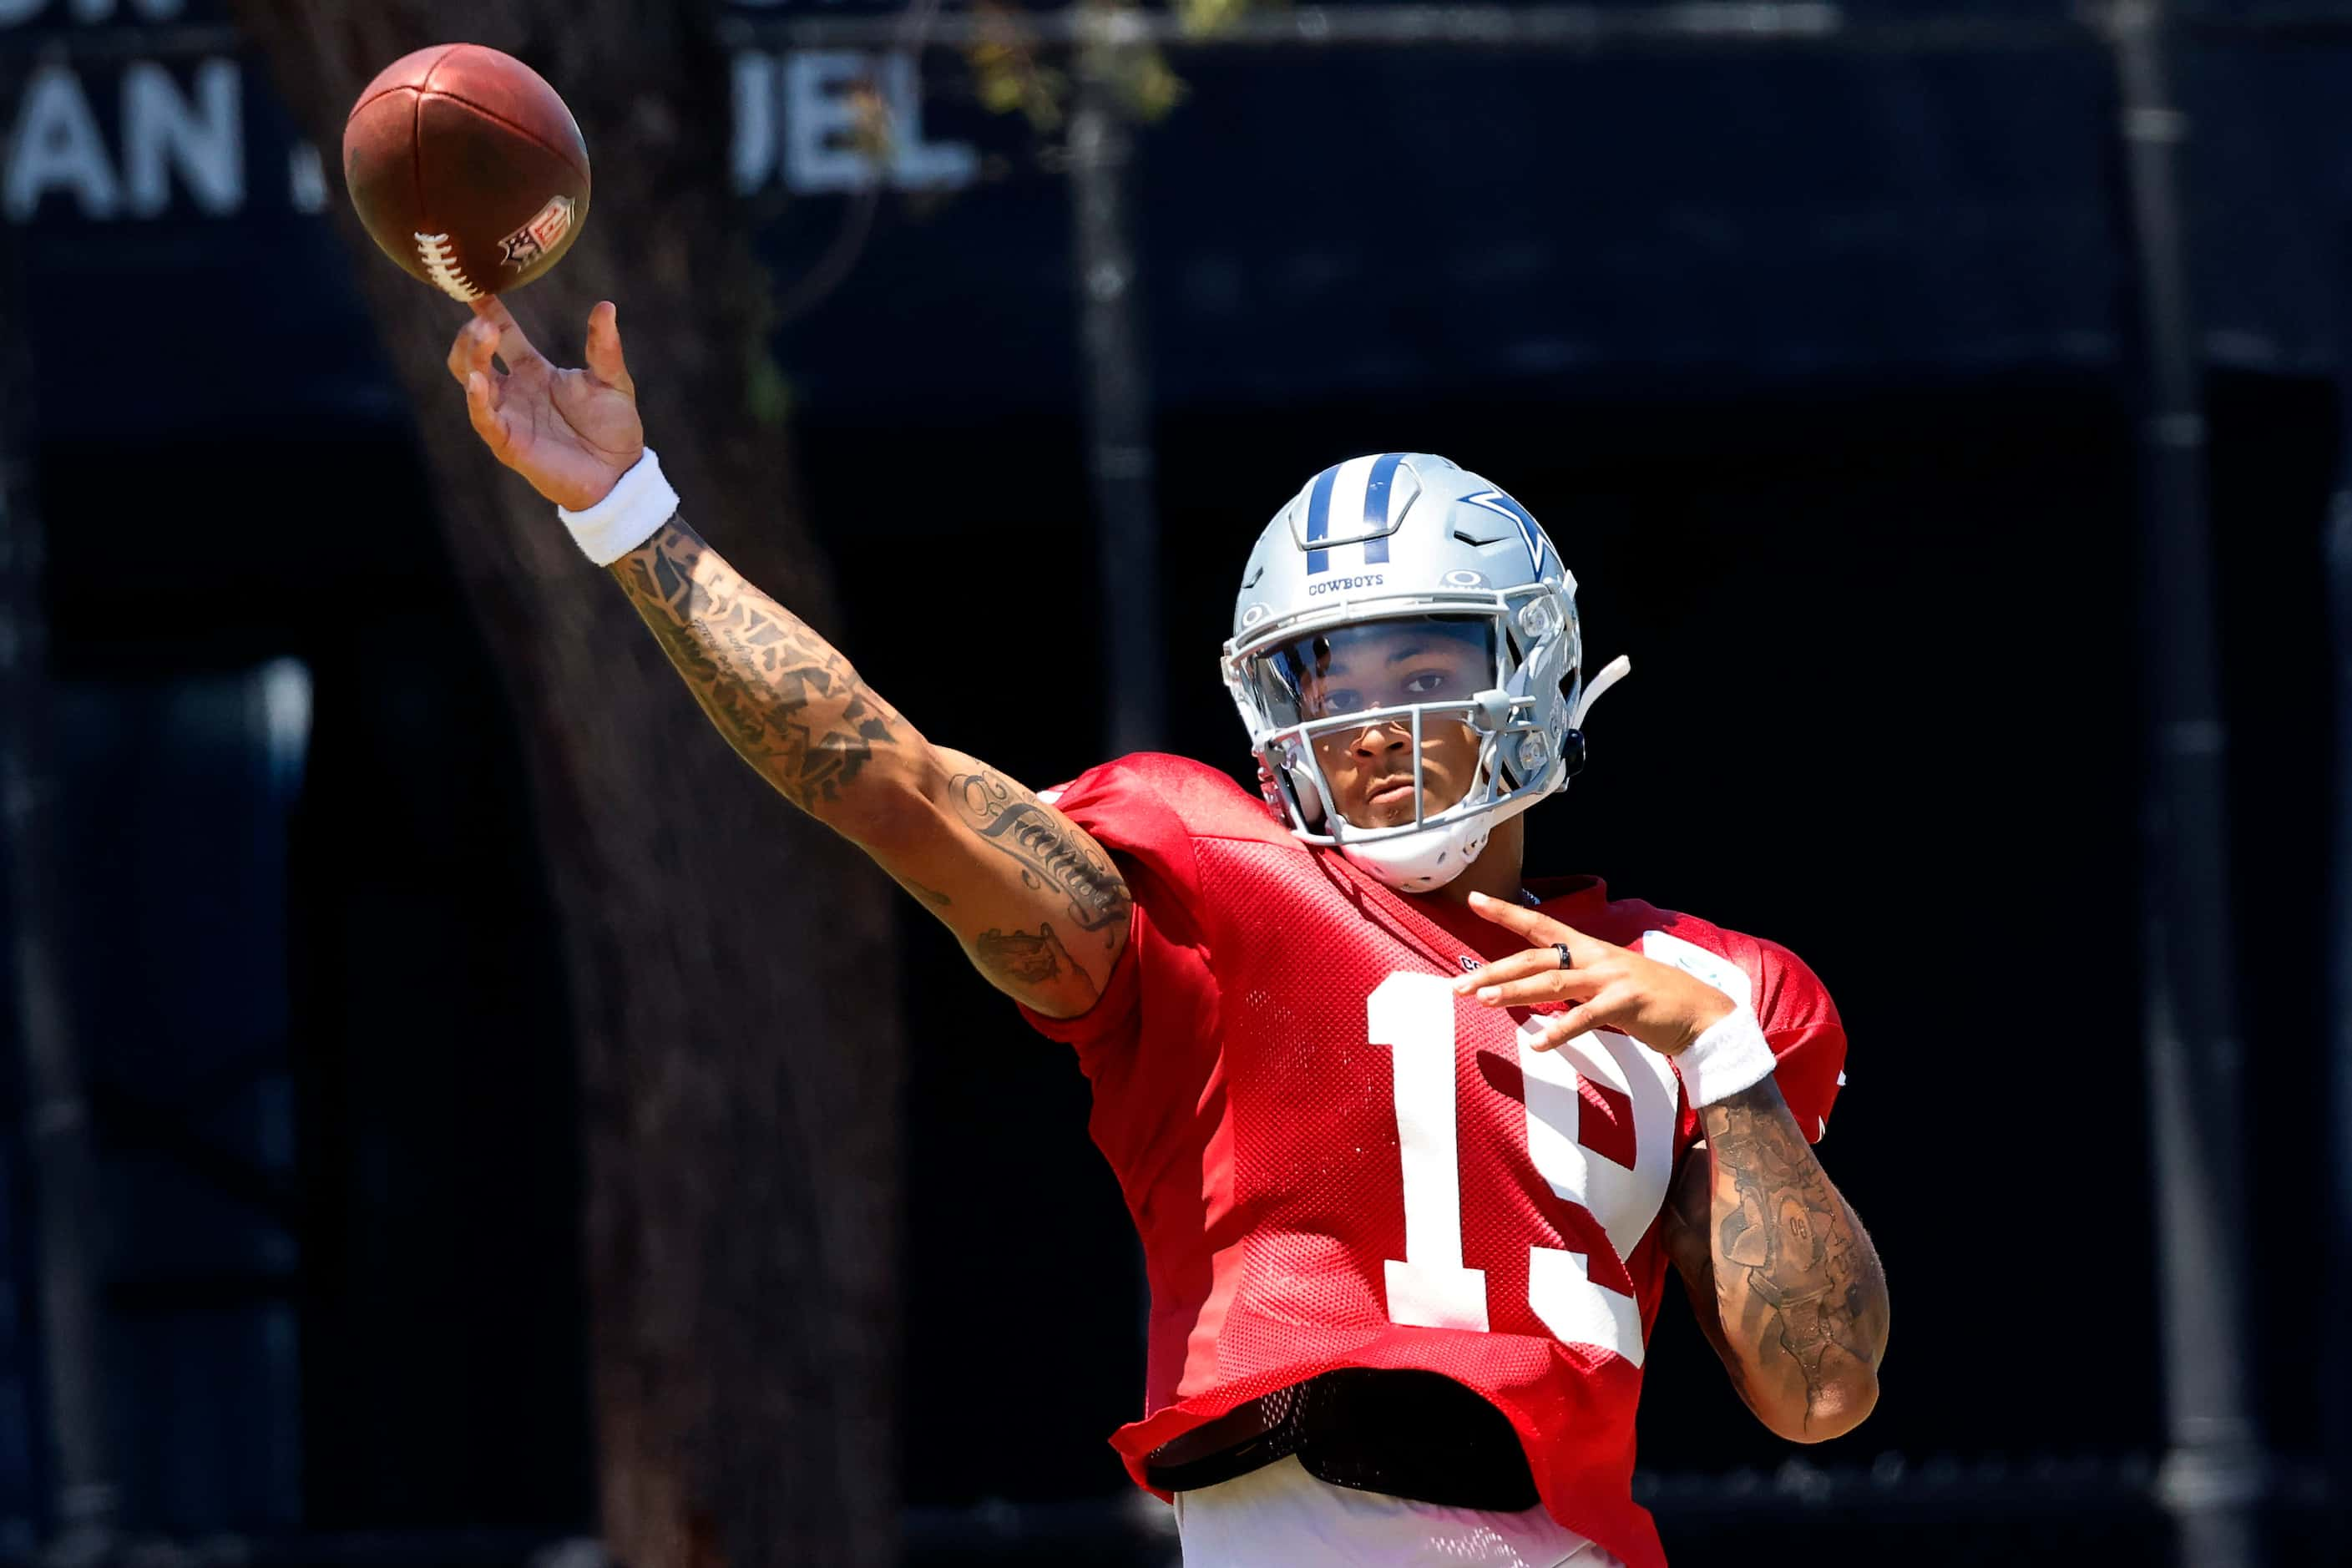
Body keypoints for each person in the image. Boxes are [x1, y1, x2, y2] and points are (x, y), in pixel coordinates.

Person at [445, 296, 1890, 1568]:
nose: (1377, 725)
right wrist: (629, 514)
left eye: (1429, 665)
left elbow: (1821, 1389)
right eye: (1327, 679)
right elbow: (888, 779)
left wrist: (1725, 1056)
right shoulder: (1208, 888)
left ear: (1536, 668)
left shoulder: (1703, 986)